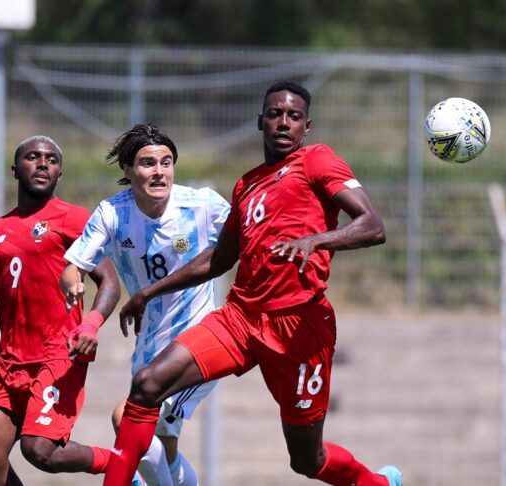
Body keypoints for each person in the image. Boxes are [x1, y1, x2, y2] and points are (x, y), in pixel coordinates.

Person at [106, 81, 403, 486]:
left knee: (307, 459)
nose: (284, 122)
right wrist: (148, 291)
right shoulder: (246, 185)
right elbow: (219, 259)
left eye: (294, 116)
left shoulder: (317, 161)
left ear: (307, 126)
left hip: (299, 326)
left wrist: (315, 240)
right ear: (260, 121)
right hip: (240, 319)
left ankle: (377, 484)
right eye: (275, 114)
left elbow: (372, 226)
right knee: (146, 384)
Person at [0, 135, 123, 485]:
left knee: (40, 450)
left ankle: (123, 464)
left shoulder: (73, 219)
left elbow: (110, 283)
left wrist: (90, 326)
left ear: (59, 175)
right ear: (14, 170)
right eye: (33, 157)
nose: (43, 163)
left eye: (51, 160)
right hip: (10, 361)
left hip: (58, 355)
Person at [60, 123, 231, 486]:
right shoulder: (113, 213)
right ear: (128, 168)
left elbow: (251, 237)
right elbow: (74, 265)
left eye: (166, 162)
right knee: (162, 452)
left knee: (126, 419)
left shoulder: (201, 205)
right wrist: (73, 281)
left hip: (200, 341)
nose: (159, 172)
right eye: (148, 163)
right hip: (150, 347)